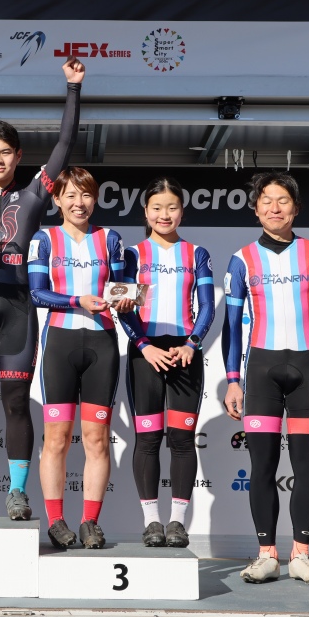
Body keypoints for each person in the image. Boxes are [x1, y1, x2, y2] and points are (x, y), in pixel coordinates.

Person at [0, 57, 85, 521]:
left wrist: (72, 89)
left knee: (14, 402)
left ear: (18, 156)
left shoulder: (35, 194)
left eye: (6, 152)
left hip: (18, 306)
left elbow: (65, 144)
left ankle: (16, 493)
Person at [220, 172, 309, 585]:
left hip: (308, 371)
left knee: (306, 467)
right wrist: (232, 380)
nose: (275, 207)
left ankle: (302, 554)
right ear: (255, 209)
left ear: (296, 207)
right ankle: (266, 554)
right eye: (266, 200)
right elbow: (231, 326)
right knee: (263, 467)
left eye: (283, 200)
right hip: (261, 373)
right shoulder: (241, 259)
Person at [28, 167, 132, 549]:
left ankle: (90, 522)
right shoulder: (44, 239)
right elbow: (37, 293)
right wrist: (77, 301)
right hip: (60, 343)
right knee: (56, 439)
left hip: (102, 344)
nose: (79, 203)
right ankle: (56, 521)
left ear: (95, 198)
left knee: (97, 440)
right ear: (57, 200)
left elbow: (121, 288)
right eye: (70, 195)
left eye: (86, 195)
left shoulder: (110, 238)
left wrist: (126, 299)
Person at [118, 176, 214, 549]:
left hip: (185, 351)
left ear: (182, 212)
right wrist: (143, 345)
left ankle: (177, 522)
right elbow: (123, 307)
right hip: (146, 353)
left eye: (172, 207)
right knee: (147, 438)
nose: (164, 214)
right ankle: (151, 522)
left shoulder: (196, 253)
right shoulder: (132, 255)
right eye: (157, 208)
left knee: (182, 438)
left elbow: (207, 306)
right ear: (146, 212)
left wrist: (192, 343)